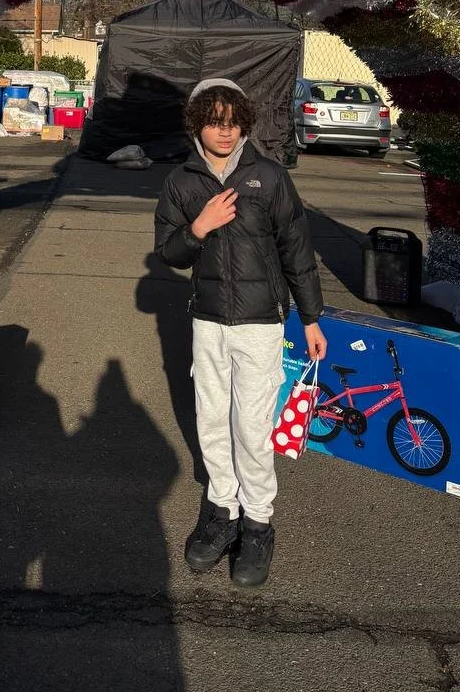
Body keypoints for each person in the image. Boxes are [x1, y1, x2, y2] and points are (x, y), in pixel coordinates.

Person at [154, 78, 327, 589]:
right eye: (213, 121)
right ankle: (221, 511)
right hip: (207, 323)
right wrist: (199, 228)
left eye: (232, 122)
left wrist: (311, 318)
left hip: (259, 325)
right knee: (211, 422)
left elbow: (297, 249)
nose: (224, 132)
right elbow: (169, 252)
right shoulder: (182, 182)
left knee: (251, 429)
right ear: (197, 124)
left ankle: (257, 522)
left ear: (244, 124)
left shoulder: (269, 178)